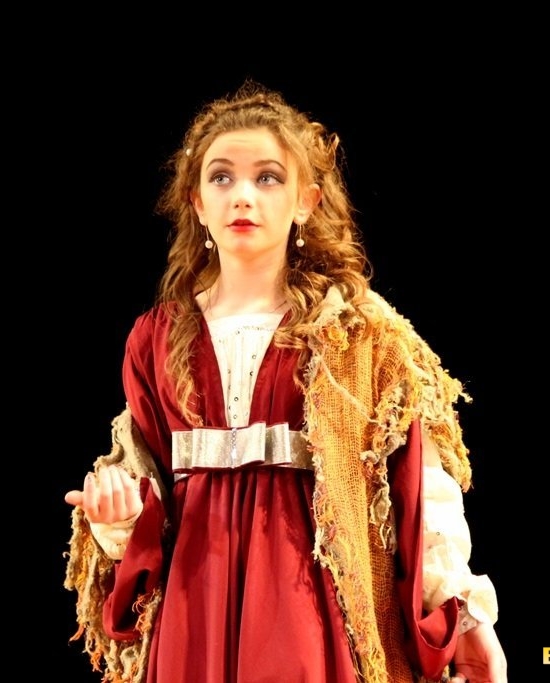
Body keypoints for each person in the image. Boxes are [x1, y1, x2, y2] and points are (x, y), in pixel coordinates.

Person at [63, 81, 507, 683]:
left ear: (306, 200)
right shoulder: (156, 338)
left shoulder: (359, 333)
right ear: (197, 203)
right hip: (194, 602)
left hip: (312, 602)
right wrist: (117, 512)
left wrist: (467, 615)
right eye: (222, 177)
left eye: (268, 178)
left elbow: (418, 487)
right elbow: (148, 484)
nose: (243, 195)